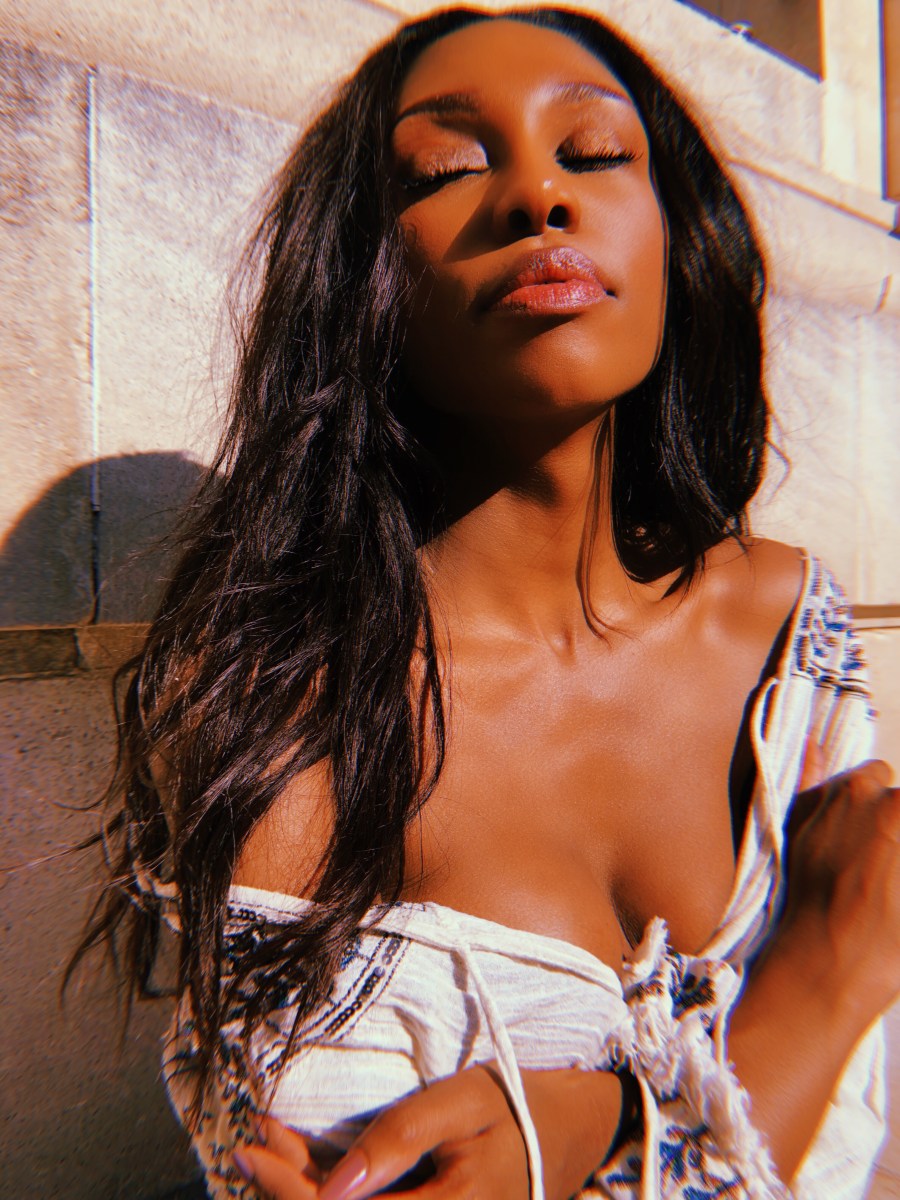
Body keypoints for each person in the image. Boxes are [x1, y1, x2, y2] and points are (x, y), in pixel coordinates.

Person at [76, 6, 899, 1199]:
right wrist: (819, 986)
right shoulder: (284, 721)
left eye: (596, 154)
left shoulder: (787, 629)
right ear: (362, 272)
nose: (538, 197)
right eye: (447, 169)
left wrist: (601, 1119)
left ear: (676, 235)